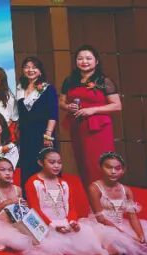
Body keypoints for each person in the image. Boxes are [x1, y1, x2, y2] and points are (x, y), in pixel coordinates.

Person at [86, 152, 147, 255]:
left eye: (117, 168)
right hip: (100, 226)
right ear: (100, 168)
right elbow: (101, 219)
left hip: (121, 225)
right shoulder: (94, 188)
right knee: (118, 244)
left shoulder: (126, 190)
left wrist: (141, 236)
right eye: (108, 167)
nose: (113, 172)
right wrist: (125, 235)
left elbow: (133, 217)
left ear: (123, 170)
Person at [61, 45, 123, 186]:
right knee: (83, 164)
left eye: (88, 58)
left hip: (99, 128)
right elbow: (62, 102)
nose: (84, 61)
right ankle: (91, 196)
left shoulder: (104, 81)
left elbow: (117, 105)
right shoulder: (70, 81)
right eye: (80, 58)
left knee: (98, 163)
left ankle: (106, 195)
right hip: (78, 126)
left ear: (96, 61)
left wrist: (92, 110)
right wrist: (68, 107)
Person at [25, 147, 104, 255]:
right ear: (40, 162)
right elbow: (34, 208)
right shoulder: (33, 182)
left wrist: (72, 222)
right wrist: (52, 226)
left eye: (59, 162)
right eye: (52, 162)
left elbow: (71, 208)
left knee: (88, 237)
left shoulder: (64, 183)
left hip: (65, 222)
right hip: (45, 224)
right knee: (52, 247)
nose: (56, 166)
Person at [17, 56, 59, 188]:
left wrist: (48, 134)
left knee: (45, 165)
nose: (30, 70)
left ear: (40, 71)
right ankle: (28, 196)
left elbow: (53, 113)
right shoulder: (20, 88)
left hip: (43, 133)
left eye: (34, 67)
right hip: (25, 135)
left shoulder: (48, 89)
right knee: (27, 166)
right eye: (27, 67)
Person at [0, 157, 34, 252]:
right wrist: (6, 203)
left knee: (28, 240)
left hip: (14, 224)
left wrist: (23, 206)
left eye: (10, 170)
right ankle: (1, 240)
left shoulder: (18, 189)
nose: (8, 173)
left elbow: (20, 211)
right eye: (2, 170)